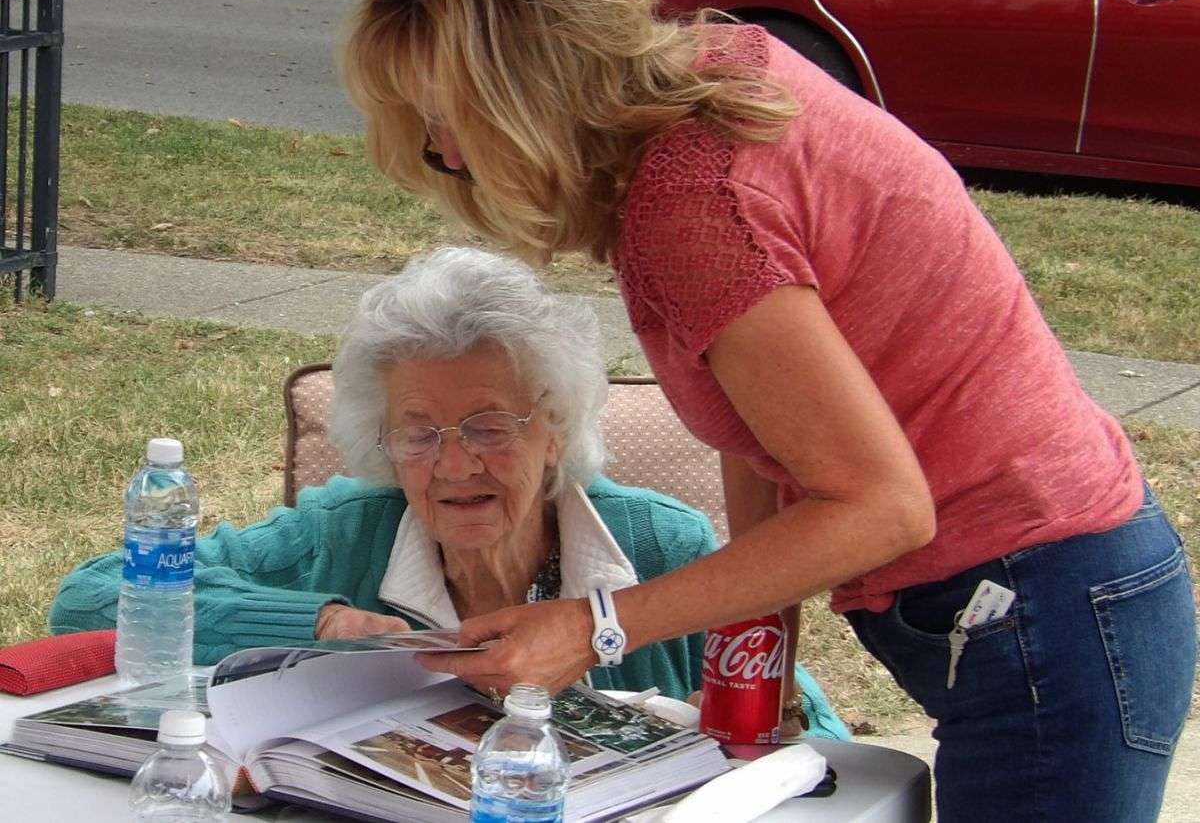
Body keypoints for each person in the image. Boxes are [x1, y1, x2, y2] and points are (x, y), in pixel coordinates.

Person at [339, 0, 1196, 819]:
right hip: (1051, 590)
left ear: (532, 94)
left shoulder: (692, 206)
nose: (445, 154)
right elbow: (763, 427)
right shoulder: (713, 75)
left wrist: (596, 628)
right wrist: (759, 660)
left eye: (451, 118)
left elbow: (884, 506)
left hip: (1045, 603)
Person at [47, 247, 848, 738]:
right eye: (419, 432)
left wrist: (763, 724)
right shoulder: (343, 534)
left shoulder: (661, 547)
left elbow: (812, 731)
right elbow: (87, 599)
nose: (454, 465)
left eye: (490, 427)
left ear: (555, 429)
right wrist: (320, 623)